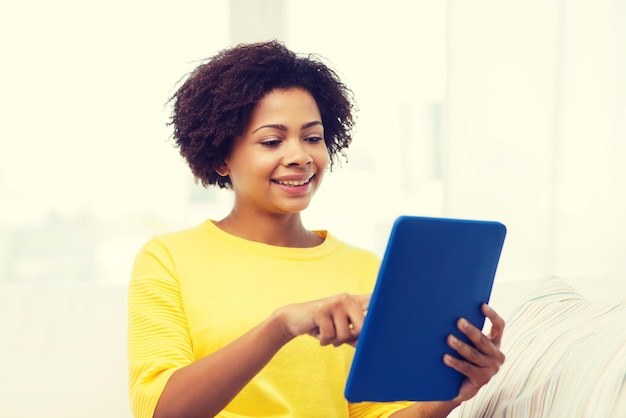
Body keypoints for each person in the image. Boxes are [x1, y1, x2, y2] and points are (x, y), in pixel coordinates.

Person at [128, 40, 506, 418]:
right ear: (222, 156)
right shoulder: (169, 259)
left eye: (312, 137)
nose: (300, 156)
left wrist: (447, 398)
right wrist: (281, 326)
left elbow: (372, 412)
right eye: (272, 141)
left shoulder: (364, 269)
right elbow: (162, 411)